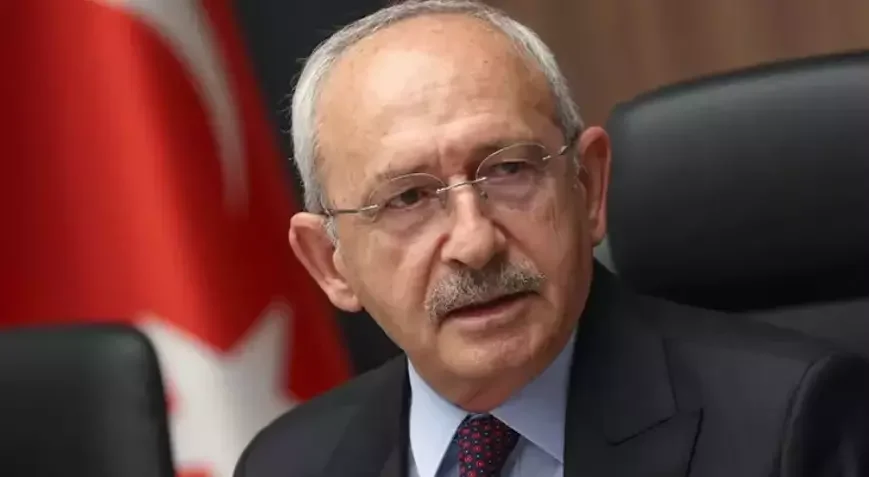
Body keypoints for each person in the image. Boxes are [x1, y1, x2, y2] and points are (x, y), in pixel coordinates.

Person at [234, 1, 869, 476]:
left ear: (588, 187)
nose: (474, 244)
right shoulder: (288, 464)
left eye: (508, 170)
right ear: (330, 262)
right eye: (408, 198)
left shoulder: (790, 427)